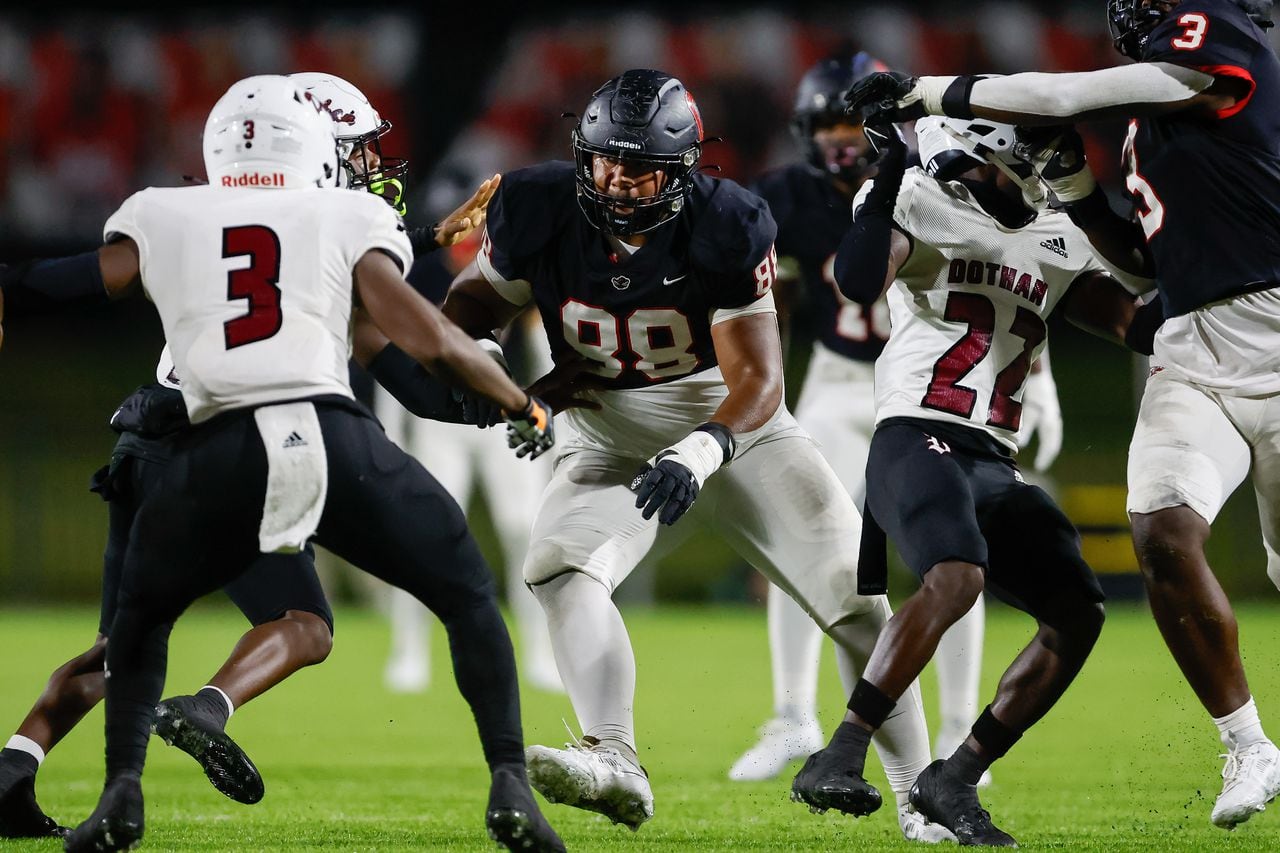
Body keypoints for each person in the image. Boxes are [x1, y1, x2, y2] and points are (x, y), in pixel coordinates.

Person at [12, 75, 560, 853]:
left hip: (176, 443)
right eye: (359, 153)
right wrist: (518, 397)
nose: (374, 169)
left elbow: (88, 276)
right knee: (445, 594)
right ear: (310, 149)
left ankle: (72, 779)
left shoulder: (183, 213)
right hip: (282, 430)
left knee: (132, 634)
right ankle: (507, 776)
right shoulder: (341, 221)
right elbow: (421, 349)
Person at [439, 68, 949, 843]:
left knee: (854, 596)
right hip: (606, 425)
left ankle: (919, 796)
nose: (617, 178)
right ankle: (613, 755)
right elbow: (473, 303)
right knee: (556, 564)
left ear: (680, 170)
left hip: (728, 420)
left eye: (638, 165)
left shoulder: (729, 221)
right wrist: (499, 373)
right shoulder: (535, 203)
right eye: (605, 159)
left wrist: (704, 448)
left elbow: (761, 377)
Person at [844, 0, 1280, 829]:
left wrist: (925, 92)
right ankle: (1249, 742)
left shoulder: (1216, 48)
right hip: (1191, 343)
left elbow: (1058, 97)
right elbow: (1142, 273)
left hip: (1275, 329)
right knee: (1159, 528)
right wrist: (1078, 189)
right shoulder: (1154, 129)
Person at [787, 113, 1150, 845]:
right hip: (914, 434)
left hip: (993, 456)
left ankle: (955, 774)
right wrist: (889, 171)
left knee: (1079, 610)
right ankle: (842, 750)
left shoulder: (1058, 237)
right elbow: (858, 283)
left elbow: (1136, 324)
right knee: (957, 576)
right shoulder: (924, 198)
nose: (1048, 165)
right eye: (1037, 151)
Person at [732, 52, 1063, 787]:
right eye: (826, 124)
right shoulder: (789, 196)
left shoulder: (949, 182)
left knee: (955, 555)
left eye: (854, 121)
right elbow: (770, 303)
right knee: (807, 546)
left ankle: (953, 728)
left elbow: (1022, 281)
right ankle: (792, 714)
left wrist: (1041, 382)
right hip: (841, 381)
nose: (841, 137)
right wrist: (765, 390)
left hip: (945, 390)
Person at [377, 302, 564, 695]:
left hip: (508, 415)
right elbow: (395, 344)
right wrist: (389, 435)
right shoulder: (424, 268)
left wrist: (553, 433)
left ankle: (541, 655)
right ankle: (408, 651)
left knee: (524, 530)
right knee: (427, 534)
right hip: (440, 420)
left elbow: (546, 346)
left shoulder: (515, 262)